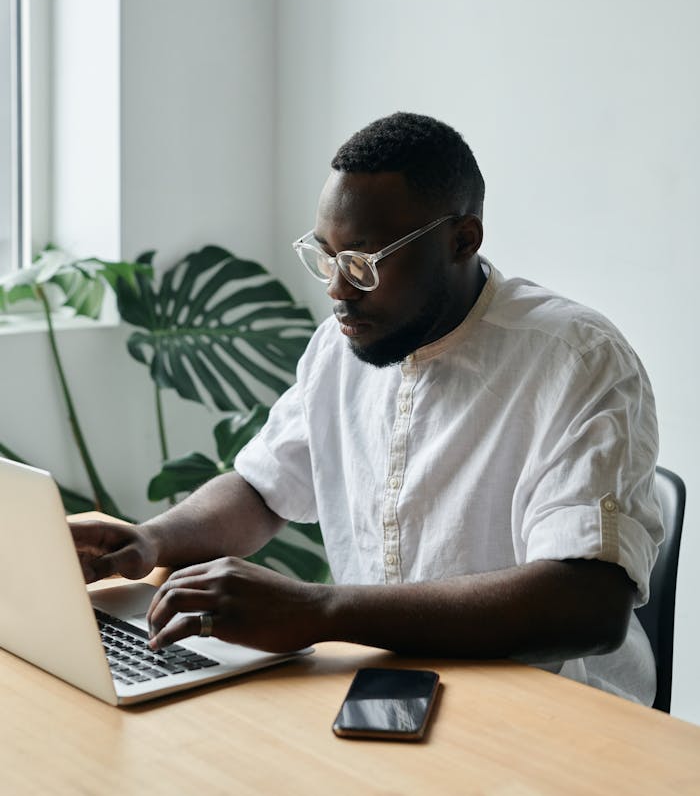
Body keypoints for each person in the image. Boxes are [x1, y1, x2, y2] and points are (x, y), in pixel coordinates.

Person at [72, 112, 663, 704]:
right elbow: (261, 488)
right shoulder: (343, 344)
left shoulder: (576, 359)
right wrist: (150, 540)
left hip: (552, 710)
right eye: (327, 257)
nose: (337, 288)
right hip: (381, 692)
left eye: (364, 263)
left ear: (462, 240)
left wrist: (320, 609)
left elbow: (588, 605)